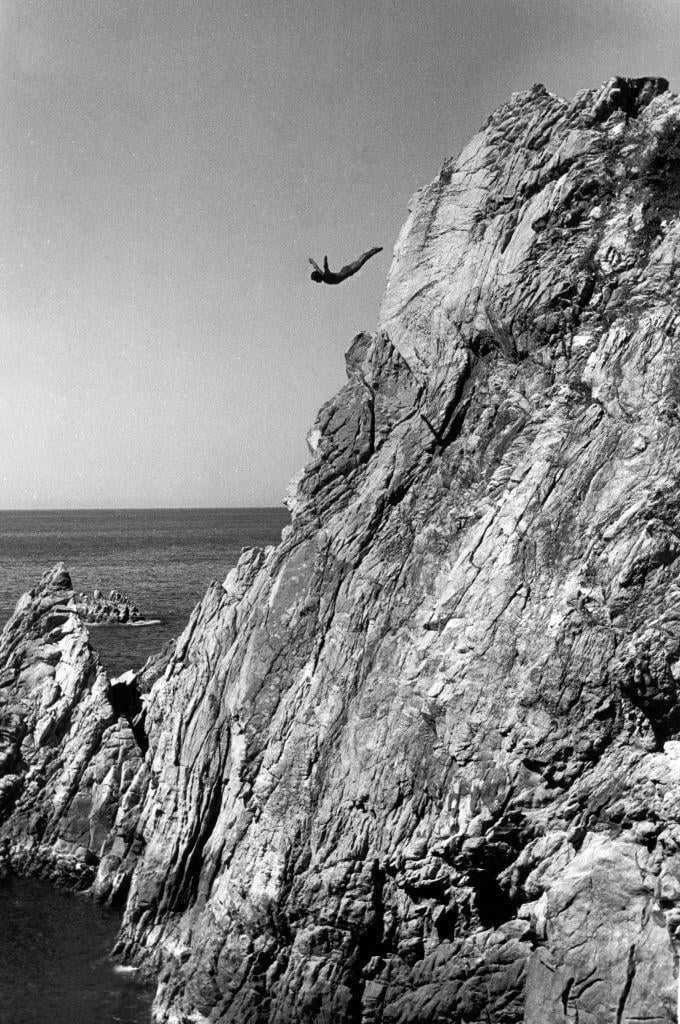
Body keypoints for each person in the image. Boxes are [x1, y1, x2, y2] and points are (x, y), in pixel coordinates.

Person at [309, 246, 383, 284]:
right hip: (344, 270)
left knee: (363, 259)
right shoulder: (323, 275)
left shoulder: (326, 277)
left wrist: (325, 262)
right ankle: (372, 250)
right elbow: (317, 268)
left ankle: (375, 251)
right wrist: (312, 261)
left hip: (348, 271)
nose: (316, 282)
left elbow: (325, 268)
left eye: (316, 280)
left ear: (318, 277)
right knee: (361, 258)